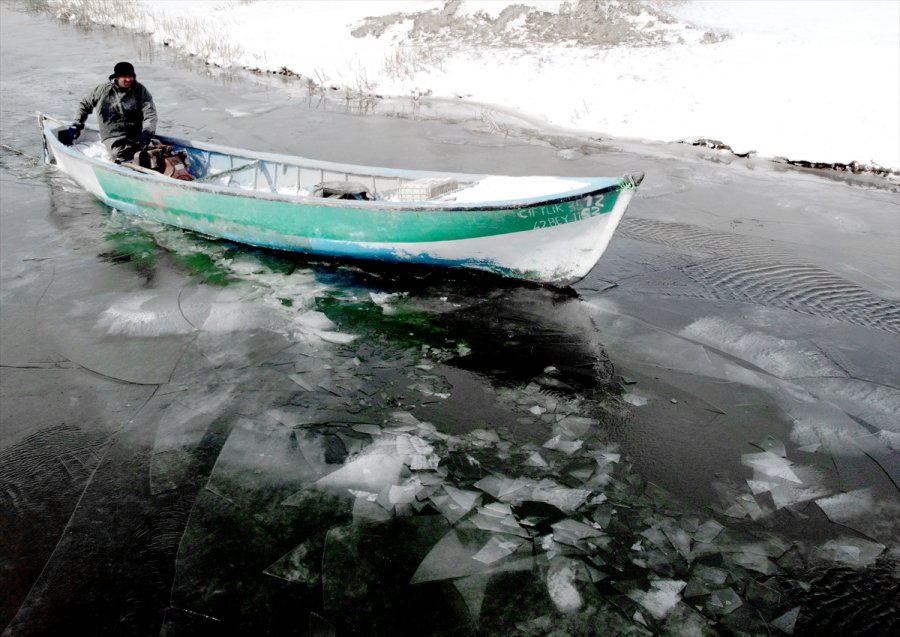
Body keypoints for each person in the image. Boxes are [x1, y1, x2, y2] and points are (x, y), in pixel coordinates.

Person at [68, 61, 157, 163]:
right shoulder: (103, 90)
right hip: (113, 135)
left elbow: (150, 113)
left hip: (136, 134)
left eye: (131, 76)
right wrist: (77, 124)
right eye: (125, 76)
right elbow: (84, 105)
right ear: (117, 77)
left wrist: (147, 131)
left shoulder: (140, 90)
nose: (129, 79)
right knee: (119, 154)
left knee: (152, 150)